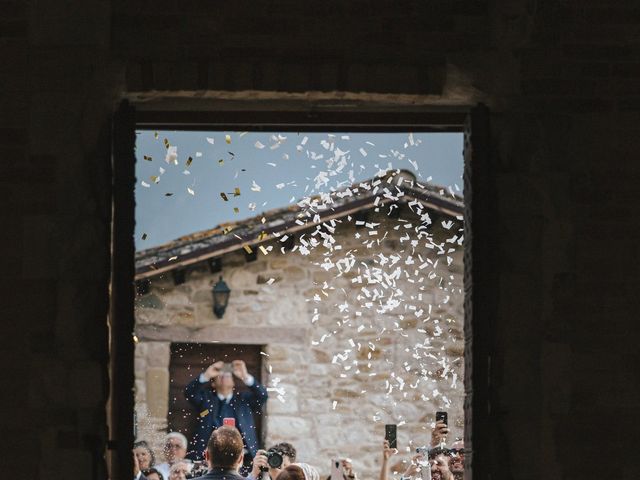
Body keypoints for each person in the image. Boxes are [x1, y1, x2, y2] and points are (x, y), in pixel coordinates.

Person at [184, 360, 268, 462]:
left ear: (233, 383)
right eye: (220, 375)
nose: (224, 376)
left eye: (228, 375)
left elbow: (262, 396)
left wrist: (245, 376)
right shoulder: (206, 400)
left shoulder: (244, 401)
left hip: (244, 458)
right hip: (208, 458)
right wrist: (206, 376)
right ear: (213, 384)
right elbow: (189, 392)